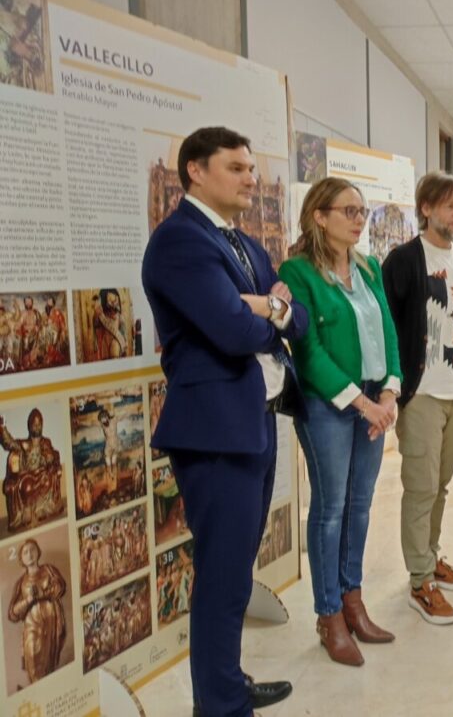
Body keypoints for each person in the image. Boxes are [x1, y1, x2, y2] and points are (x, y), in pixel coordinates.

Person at [142, 126, 306, 717]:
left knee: (236, 573)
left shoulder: (243, 243)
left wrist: (271, 306)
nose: (249, 178)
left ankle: (227, 683)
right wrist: (269, 310)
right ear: (195, 171)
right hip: (213, 432)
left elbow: (299, 318)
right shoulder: (179, 242)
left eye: (250, 168)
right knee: (220, 575)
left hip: (254, 423)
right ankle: (218, 705)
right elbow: (232, 332)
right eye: (236, 168)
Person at [279, 177, 402, 665]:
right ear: (319, 216)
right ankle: (329, 614)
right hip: (330, 405)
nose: (358, 220)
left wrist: (389, 391)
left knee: (361, 505)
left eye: (362, 211)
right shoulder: (299, 271)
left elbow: (388, 330)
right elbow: (306, 352)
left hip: (375, 399)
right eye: (348, 211)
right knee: (330, 509)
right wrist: (361, 403)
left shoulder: (368, 266)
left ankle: (353, 600)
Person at [382, 171, 453, 625]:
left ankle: (431, 556)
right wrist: (394, 385)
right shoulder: (404, 260)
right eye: (448, 206)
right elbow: (389, 328)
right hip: (421, 393)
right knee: (420, 488)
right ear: (425, 209)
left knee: (440, 485)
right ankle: (420, 579)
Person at [6, 538, 67, 684]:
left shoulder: (48, 570)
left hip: (51, 624)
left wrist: (43, 594)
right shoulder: (22, 582)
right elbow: (12, 614)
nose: (30, 554)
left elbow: (60, 587)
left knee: (48, 663)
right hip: (32, 625)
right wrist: (28, 600)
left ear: (38, 552)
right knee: (32, 657)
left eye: (32, 549)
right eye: (25, 552)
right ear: (21, 558)